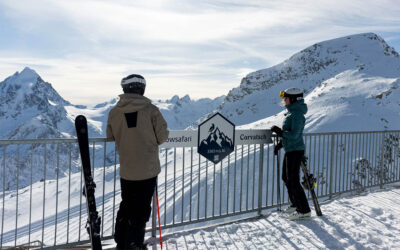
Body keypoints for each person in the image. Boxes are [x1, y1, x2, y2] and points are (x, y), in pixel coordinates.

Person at [106, 74, 169, 249]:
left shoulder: (114, 112)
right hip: (147, 169)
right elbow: (162, 136)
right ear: (142, 89)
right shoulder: (151, 110)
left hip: (127, 169)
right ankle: (134, 243)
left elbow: (110, 136)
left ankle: (121, 241)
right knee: (141, 209)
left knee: (126, 205)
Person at [271, 87, 311, 220]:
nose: (284, 101)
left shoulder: (297, 114)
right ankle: (295, 204)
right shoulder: (291, 113)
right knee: (286, 178)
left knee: (293, 180)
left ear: (293, 99)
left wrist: (280, 133)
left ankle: (304, 210)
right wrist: (281, 144)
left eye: (286, 98)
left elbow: (295, 135)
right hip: (290, 149)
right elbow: (292, 135)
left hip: (295, 150)